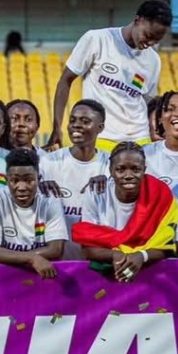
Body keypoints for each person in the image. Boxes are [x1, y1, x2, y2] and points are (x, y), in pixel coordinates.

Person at [48, 0, 173, 152]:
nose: (150, 43)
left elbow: (148, 101)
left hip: (139, 139)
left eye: (156, 40)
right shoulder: (97, 40)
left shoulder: (153, 60)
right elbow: (65, 80)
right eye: (148, 35)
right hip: (101, 137)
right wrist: (57, 126)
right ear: (138, 20)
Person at [73, 142, 178, 282]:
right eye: (121, 169)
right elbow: (87, 248)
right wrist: (116, 256)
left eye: (136, 169)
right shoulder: (96, 194)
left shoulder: (160, 194)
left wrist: (141, 256)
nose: (128, 175)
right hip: (105, 277)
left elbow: (167, 246)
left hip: (150, 274)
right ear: (111, 170)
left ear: (144, 170)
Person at [0, 148, 67, 278]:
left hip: (40, 277)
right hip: (4, 277)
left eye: (29, 180)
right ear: (6, 180)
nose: (22, 187)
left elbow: (56, 250)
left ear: (39, 179)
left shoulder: (50, 202)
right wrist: (31, 258)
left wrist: (22, 257)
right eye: (15, 180)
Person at [39, 100, 110, 259]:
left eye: (85, 121)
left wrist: (111, 184)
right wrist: (38, 188)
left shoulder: (110, 164)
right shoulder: (48, 161)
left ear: (100, 128)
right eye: (72, 120)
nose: (76, 125)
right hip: (55, 262)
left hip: (96, 261)